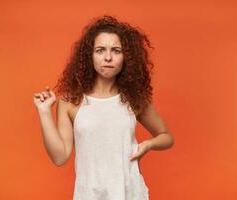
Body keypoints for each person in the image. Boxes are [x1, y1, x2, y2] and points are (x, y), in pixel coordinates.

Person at [33, 15, 174, 200]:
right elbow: (60, 157)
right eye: (100, 50)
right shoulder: (70, 101)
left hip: (130, 193)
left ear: (126, 57)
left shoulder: (134, 98)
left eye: (116, 50)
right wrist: (44, 112)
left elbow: (167, 137)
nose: (108, 57)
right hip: (88, 194)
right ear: (89, 55)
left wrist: (148, 145)